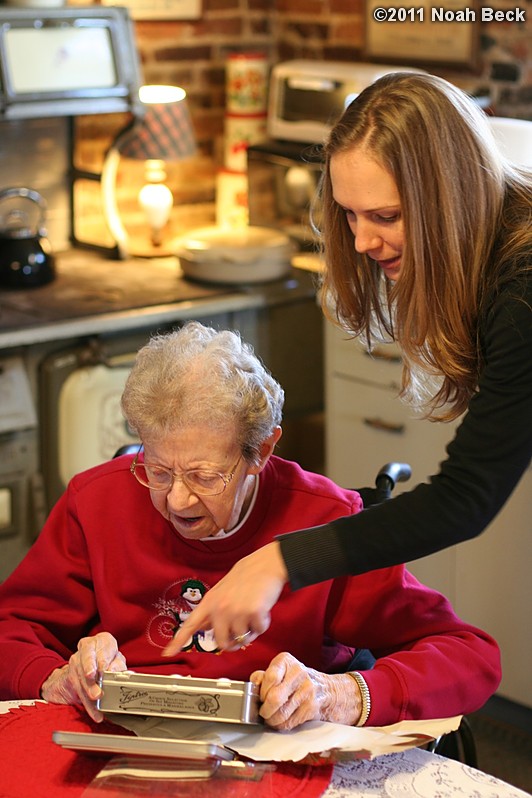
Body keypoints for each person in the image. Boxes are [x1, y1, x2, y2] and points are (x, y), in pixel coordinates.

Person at [166, 71, 532, 654]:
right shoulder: (497, 239)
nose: (362, 241)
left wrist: (281, 560)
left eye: (386, 217)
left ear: (452, 195)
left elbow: (466, 498)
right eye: (350, 215)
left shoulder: (522, 291)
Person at [0, 323, 500, 730]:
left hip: (270, 753)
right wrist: (54, 678)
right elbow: (11, 629)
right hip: (118, 746)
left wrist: (340, 694)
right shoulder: (96, 501)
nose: (176, 499)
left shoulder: (325, 520)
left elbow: (469, 656)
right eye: (157, 469)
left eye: (204, 476)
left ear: (260, 451)